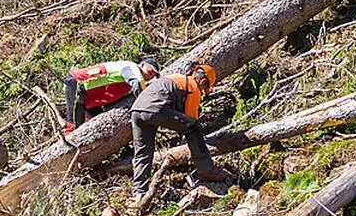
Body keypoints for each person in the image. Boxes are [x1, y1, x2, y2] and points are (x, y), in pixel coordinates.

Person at [129, 62, 232, 197]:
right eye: (204, 87)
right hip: (156, 109)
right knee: (194, 128)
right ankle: (205, 170)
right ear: (202, 80)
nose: (202, 91)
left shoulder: (175, 78)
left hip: (137, 110)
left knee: (143, 152)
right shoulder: (192, 86)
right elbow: (191, 120)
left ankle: (139, 192)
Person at [64, 58, 160, 135]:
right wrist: (146, 104)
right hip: (78, 84)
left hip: (90, 98)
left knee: (95, 126)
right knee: (73, 129)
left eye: (154, 75)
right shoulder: (132, 68)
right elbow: (137, 83)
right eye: (150, 72)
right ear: (142, 64)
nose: (151, 76)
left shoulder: (127, 80)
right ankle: (66, 147)